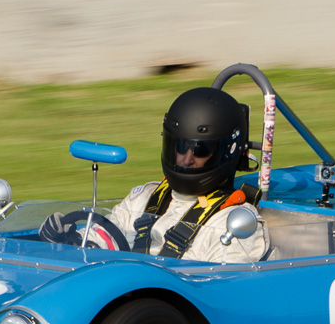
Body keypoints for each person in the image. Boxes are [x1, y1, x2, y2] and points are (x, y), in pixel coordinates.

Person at [106, 87, 269, 263]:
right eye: (181, 147)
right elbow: (100, 236)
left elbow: (219, 285)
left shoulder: (238, 224)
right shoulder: (143, 198)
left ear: (227, 152)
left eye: (200, 150)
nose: (187, 159)